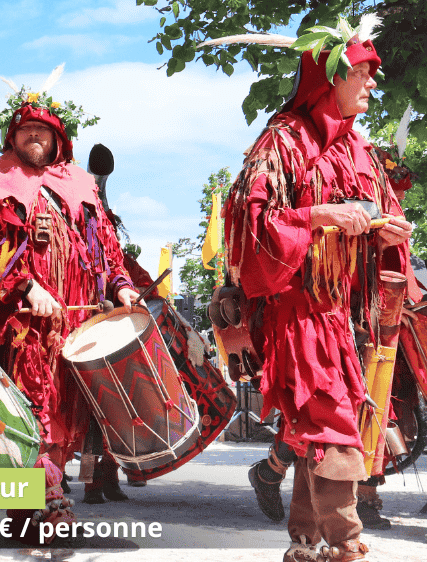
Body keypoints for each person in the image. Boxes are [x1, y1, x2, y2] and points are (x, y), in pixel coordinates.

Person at [215, 15, 412, 561]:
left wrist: (388, 232)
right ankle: (347, 544)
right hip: (295, 308)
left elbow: (379, 215)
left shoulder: (360, 150)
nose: (374, 83)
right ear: (332, 76)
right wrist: (322, 214)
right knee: (331, 421)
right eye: (365, 73)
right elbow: (254, 228)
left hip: (339, 311)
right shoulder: (283, 141)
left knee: (318, 422)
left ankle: (305, 541)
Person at [0, 78, 138, 512]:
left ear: (59, 138)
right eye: (26, 131)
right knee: (28, 416)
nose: (34, 137)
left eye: (43, 131)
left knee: (64, 424)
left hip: (76, 329)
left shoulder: (81, 186)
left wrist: (122, 286)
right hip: (21, 328)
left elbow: (106, 251)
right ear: (12, 138)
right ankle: (38, 507)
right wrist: (24, 284)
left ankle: (37, 505)